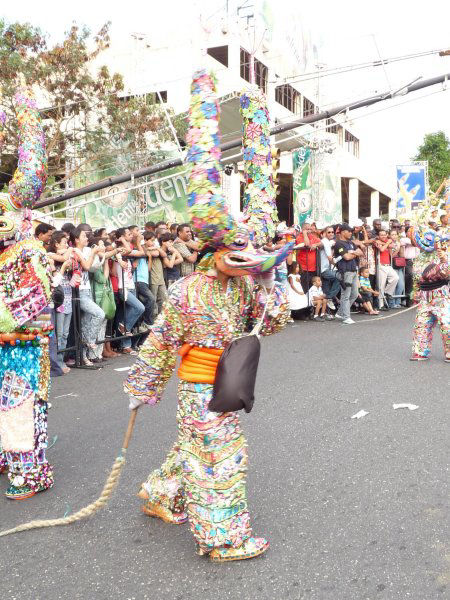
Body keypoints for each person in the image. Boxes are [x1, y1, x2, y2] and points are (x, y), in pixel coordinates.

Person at [125, 70, 292, 562]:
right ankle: (222, 539)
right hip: (203, 383)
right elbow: (160, 341)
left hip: (227, 378)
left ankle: (160, 493)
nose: (244, 255)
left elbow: (275, 323)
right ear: (212, 248)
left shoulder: (245, 286)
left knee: (195, 442)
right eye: (234, 248)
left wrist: (266, 284)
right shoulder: (189, 290)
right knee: (218, 457)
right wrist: (144, 386)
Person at [0, 82, 54, 499]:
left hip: (18, 343)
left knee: (20, 407)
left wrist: (23, 109)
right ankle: (7, 458)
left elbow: (36, 304)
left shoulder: (27, 251)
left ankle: (28, 470)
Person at [70, 225, 105, 365]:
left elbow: (94, 265)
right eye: (84, 236)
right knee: (99, 314)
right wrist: (93, 253)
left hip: (87, 289)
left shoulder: (87, 250)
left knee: (85, 324)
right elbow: (87, 266)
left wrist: (97, 252)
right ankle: (90, 341)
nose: (87, 238)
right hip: (79, 292)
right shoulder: (73, 251)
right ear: (77, 238)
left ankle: (83, 356)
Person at [411, 248, 449, 361]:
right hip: (425, 297)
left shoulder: (446, 255)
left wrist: (445, 261)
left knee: (447, 325)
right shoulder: (420, 257)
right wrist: (416, 291)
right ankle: (420, 351)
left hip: (442, 297)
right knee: (421, 324)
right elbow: (416, 277)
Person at [47, 231, 74, 373]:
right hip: (58, 300)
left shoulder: (64, 257)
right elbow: (55, 280)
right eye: (64, 242)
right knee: (58, 333)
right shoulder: (50, 256)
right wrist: (69, 251)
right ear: (56, 244)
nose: (67, 245)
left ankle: (61, 361)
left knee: (65, 334)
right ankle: (57, 363)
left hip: (68, 296)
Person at [334, 224, 364, 324]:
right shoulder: (339, 244)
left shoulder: (351, 243)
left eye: (351, 231)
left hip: (354, 270)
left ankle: (340, 312)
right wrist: (355, 253)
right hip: (345, 271)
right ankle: (346, 317)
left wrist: (353, 253)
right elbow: (346, 257)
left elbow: (360, 252)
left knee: (355, 294)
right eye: (349, 231)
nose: (351, 233)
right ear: (342, 232)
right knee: (345, 295)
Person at [375, 230, 399, 310]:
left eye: (384, 235)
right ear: (378, 236)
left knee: (395, 278)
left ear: (386, 235)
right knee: (381, 285)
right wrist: (388, 243)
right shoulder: (377, 241)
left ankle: (387, 292)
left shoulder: (386, 242)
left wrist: (390, 244)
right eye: (381, 235)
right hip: (380, 265)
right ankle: (381, 305)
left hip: (388, 265)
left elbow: (393, 247)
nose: (383, 236)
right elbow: (381, 249)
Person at [146, 232, 169, 315]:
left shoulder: (155, 248)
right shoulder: (145, 249)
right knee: (153, 300)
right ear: (145, 240)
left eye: (154, 240)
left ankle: (161, 318)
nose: (153, 242)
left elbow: (164, 254)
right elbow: (156, 253)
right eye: (152, 240)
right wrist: (154, 248)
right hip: (153, 279)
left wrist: (156, 248)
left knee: (164, 299)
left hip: (160, 279)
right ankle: (151, 320)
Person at [295, 220, 321, 293]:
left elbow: (320, 242)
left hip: (313, 268)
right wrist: (305, 234)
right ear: (303, 230)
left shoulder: (312, 236)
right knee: (306, 289)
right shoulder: (299, 237)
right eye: (307, 229)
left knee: (312, 289)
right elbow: (306, 244)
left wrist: (316, 245)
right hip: (304, 268)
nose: (310, 231)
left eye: (310, 229)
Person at [319, 226, 340, 307]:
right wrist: (337, 263)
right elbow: (330, 258)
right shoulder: (325, 242)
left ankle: (328, 300)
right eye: (329, 232)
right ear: (325, 233)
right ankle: (329, 297)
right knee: (339, 277)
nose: (331, 233)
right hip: (323, 269)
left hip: (326, 268)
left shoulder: (329, 241)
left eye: (332, 232)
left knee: (326, 290)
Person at [390, 229, 405, 308]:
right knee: (394, 284)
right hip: (392, 265)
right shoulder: (389, 243)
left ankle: (397, 301)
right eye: (392, 234)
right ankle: (392, 303)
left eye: (395, 234)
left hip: (399, 265)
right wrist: (398, 248)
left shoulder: (399, 243)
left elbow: (402, 255)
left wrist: (401, 247)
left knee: (401, 284)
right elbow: (391, 256)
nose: (394, 236)